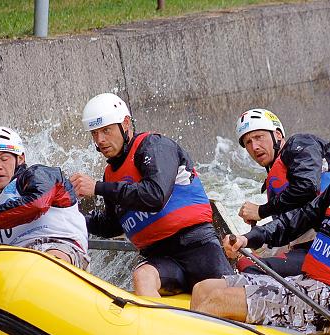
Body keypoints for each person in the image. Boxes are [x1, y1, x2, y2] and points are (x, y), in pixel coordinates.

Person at [190, 126, 330, 335]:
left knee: (219, 300)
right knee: (203, 289)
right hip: (306, 282)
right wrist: (247, 238)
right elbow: (292, 222)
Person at [69, 93, 232, 297]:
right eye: (94, 133)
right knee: (142, 275)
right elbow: (112, 225)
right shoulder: (110, 174)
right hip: (160, 258)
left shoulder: (154, 146)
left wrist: (98, 188)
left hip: (197, 248)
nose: (100, 140)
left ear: (125, 123)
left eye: (106, 131)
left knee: (221, 298)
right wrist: (70, 215)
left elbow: (155, 195)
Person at [0, 126, 90, 269]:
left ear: (20, 159)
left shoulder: (39, 174)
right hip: (20, 261)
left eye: (4, 159)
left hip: (60, 248)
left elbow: (37, 205)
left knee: (47, 263)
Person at [234, 108, 330, 276]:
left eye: (259, 137)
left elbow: (307, 186)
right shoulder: (278, 172)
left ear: (277, 135)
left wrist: (261, 210)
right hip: (308, 241)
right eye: (248, 142)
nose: (255, 147)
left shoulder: (300, 143)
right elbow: (289, 224)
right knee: (242, 258)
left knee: (248, 266)